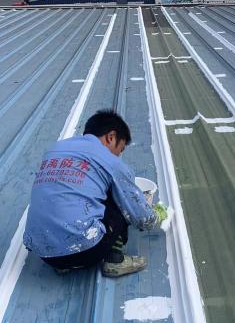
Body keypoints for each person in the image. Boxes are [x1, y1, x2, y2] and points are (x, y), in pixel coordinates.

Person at [23, 110, 165, 278]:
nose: (119, 155)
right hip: (86, 251)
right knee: (122, 199)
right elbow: (142, 219)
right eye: (120, 149)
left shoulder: (55, 149)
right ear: (111, 137)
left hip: (43, 254)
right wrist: (156, 213)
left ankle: (65, 264)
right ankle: (115, 260)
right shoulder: (110, 161)